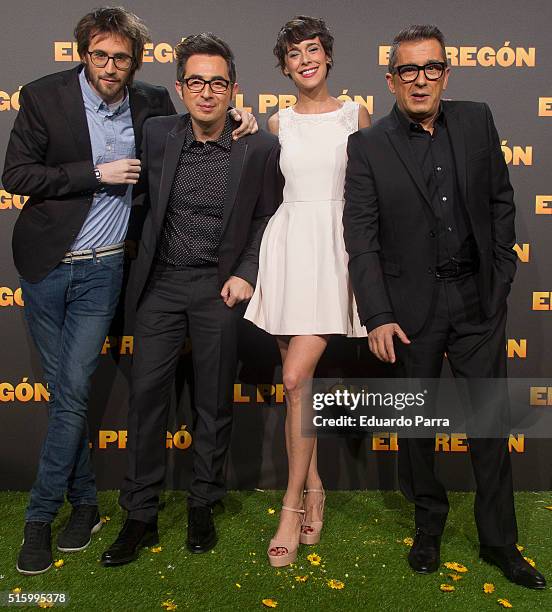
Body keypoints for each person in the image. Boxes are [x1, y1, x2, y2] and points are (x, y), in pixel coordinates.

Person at [2, 8, 255, 576]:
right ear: (82, 53)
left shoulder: (151, 106)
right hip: (47, 266)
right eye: (100, 55)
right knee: (69, 396)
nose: (111, 66)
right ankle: (93, 505)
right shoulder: (43, 97)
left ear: (136, 62)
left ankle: (40, 518)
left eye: (121, 57)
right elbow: (15, 175)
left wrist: (245, 117)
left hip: (109, 270)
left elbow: (211, 121)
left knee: (70, 393)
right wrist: (96, 173)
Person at [343, 24, 546, 590]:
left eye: (431, 68)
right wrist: (378, 314)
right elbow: (361, 237)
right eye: (408, 70)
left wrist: (500, 277)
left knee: (489, 425)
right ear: (391, 79)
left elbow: (501, 202)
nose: (420, 80)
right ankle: (428, 527)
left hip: (477, 301)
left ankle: (500, 543)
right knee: (417, 430)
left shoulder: (477, 118)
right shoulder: (368, 145)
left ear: (446, 73)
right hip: (410, 311)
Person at [101, 33, 281, 567]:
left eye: (218, 83)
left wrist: (247, 272)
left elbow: (267, 216)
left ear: (233, 90)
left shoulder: (259, 147)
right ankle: (140, 514)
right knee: (146, 401)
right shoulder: (157, 132)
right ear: (180, 88)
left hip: (217, 289)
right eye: (196, 82)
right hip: (159, 286)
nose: (207, 92)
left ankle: (204, 501)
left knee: (213, 402)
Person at [244, 16, 371, 567]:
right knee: (300, 389)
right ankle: (315, 486)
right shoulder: (277, 124)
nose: (305, 60)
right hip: (288, 248)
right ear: (284, 65)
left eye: (313, 49)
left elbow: (369, 190)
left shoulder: (356, 114)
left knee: (295, 377)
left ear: (328, 55)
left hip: (336, 252)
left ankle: (290, 505)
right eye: (294, 54)